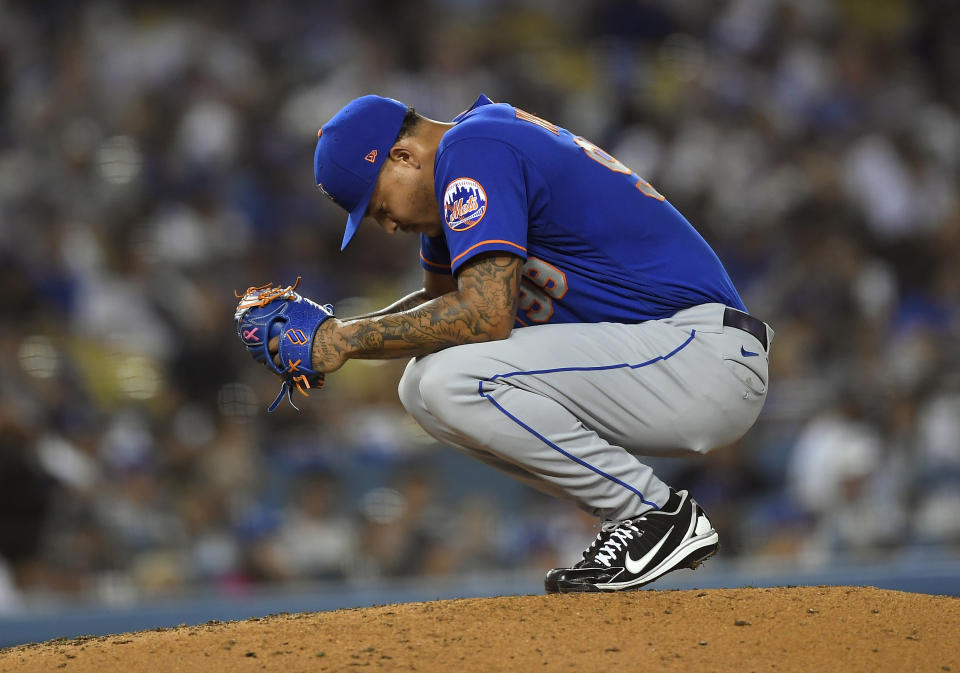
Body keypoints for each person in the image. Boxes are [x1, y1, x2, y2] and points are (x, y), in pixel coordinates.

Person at [297, 94, 772, 593]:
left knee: (449, 381)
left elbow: (483, 315)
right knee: (421, 387)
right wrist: (328, 340)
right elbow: (444, 321)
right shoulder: (456, 180)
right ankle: (639, 515)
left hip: (701, 355)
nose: (388, 224)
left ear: (405, 156)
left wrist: (343, 340)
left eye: (377, 206)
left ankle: (652, 514)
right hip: (662, 362)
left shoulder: (472, 145)